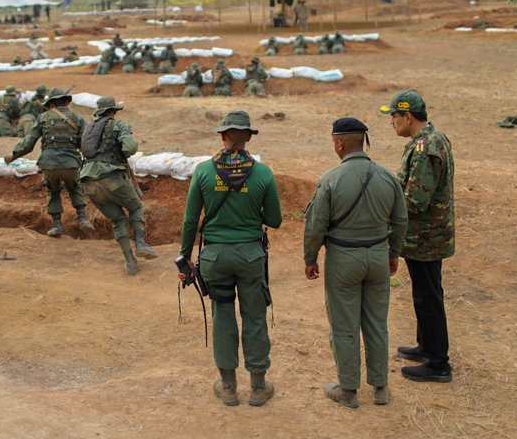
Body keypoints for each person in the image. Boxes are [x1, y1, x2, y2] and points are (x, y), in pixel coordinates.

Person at [178, 111, 281, 407]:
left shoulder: (203, 172)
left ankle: (228, 386)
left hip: (214, 258)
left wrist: (185, 258)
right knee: (255, 317)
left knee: (222, 317)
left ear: (223, 136)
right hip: (250, 256)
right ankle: (259, 388)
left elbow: (189, 222)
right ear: (248, 137)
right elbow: (274, 220)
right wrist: (250, 213)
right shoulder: (263, 173)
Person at [303, 117, 408, 409]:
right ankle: (381, 388)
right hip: (377, 257)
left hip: (343, 260)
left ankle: (348, 391)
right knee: (377, 324)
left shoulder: (330, 179)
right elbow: (400, 221)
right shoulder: (388, 177)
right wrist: (393, 253)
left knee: (344, 326)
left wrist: (310, 259)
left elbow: (315, 227)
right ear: (362, 142)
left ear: (339, 143)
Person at [381, 90, 455, 383]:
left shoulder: (425, 149)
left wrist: (385, 199)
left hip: (425, 238)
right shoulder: (432, 139)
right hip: (427, 236)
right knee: (425, 294)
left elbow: (415, 201)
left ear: (407, 116)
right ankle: (426, 347)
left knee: (428, 298)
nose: (392, 122)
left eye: (394, 117)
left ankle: (438, 363)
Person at [80, 96, 157, 275]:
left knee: (118, 220)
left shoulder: (88, 130)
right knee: (136, 207)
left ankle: (130, 261)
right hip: (112, 177)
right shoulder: (118, 125)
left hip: (88, 182)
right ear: (113, 112)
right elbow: (130, 147)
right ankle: (140, 243)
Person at [6, 89, 94, 236]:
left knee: (52, 191)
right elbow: (84, 144)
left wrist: (13, 155)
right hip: (71, 163)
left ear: (51, 104)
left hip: (49, 164)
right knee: (74, 187)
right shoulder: (77, 118)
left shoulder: (42, 117)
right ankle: (83, 219)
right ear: (67, 102)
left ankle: (57, 226)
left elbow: (29, 143)